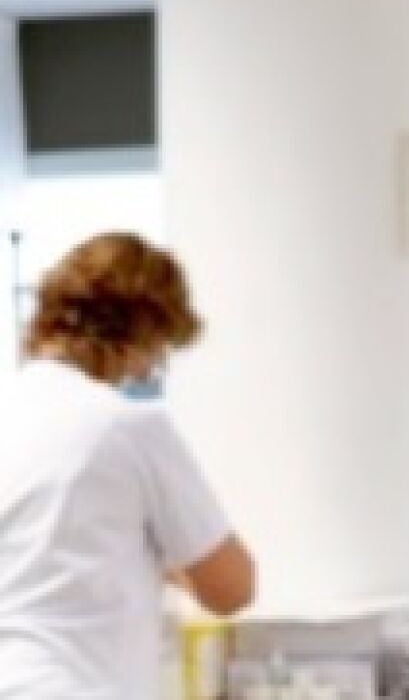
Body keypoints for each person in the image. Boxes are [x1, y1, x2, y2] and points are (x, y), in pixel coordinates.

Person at [0, 233, 255, 699]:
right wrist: (166, 554)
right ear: (138, 333)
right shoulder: (130, 426)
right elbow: (232, 588)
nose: (145, 370)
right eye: (156, 350)